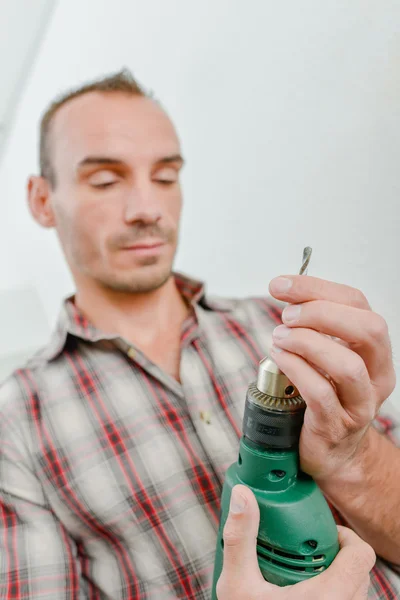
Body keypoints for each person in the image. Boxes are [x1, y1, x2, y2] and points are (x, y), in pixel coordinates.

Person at [0, 69, 399, 600]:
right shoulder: (16, 422)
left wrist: (354, 459)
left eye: (165, 177)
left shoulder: (285, 332)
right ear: (42, 200)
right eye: (105, 180)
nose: (147, 209)